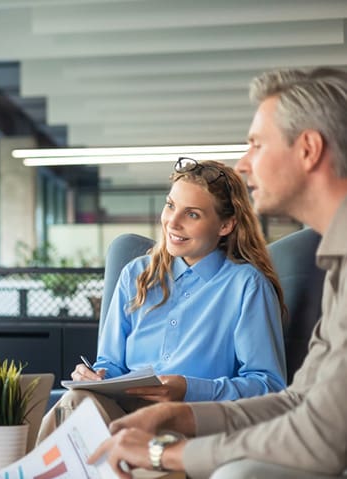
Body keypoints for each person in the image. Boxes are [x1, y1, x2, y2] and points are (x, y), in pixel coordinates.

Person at [89, 67, 347, 479]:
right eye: (172, 207)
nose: (243, 164)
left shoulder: (250, 284)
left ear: (308, 149)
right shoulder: (337, 266)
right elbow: (299, 400)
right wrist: (179, 418)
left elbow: (322, 435)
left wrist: (166, 453)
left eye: (257, 145)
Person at [37, 158, 287, 443]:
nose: (173, 222)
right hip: (125, 414)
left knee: (75, 409)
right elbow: (111, 363)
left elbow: (269, 388)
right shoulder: (136, 274)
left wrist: (188, 388)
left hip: (197, 421)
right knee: (78, 399)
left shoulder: (246, 285)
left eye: (192, 214)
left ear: (226, 225)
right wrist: (95, 376)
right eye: (170, 206)